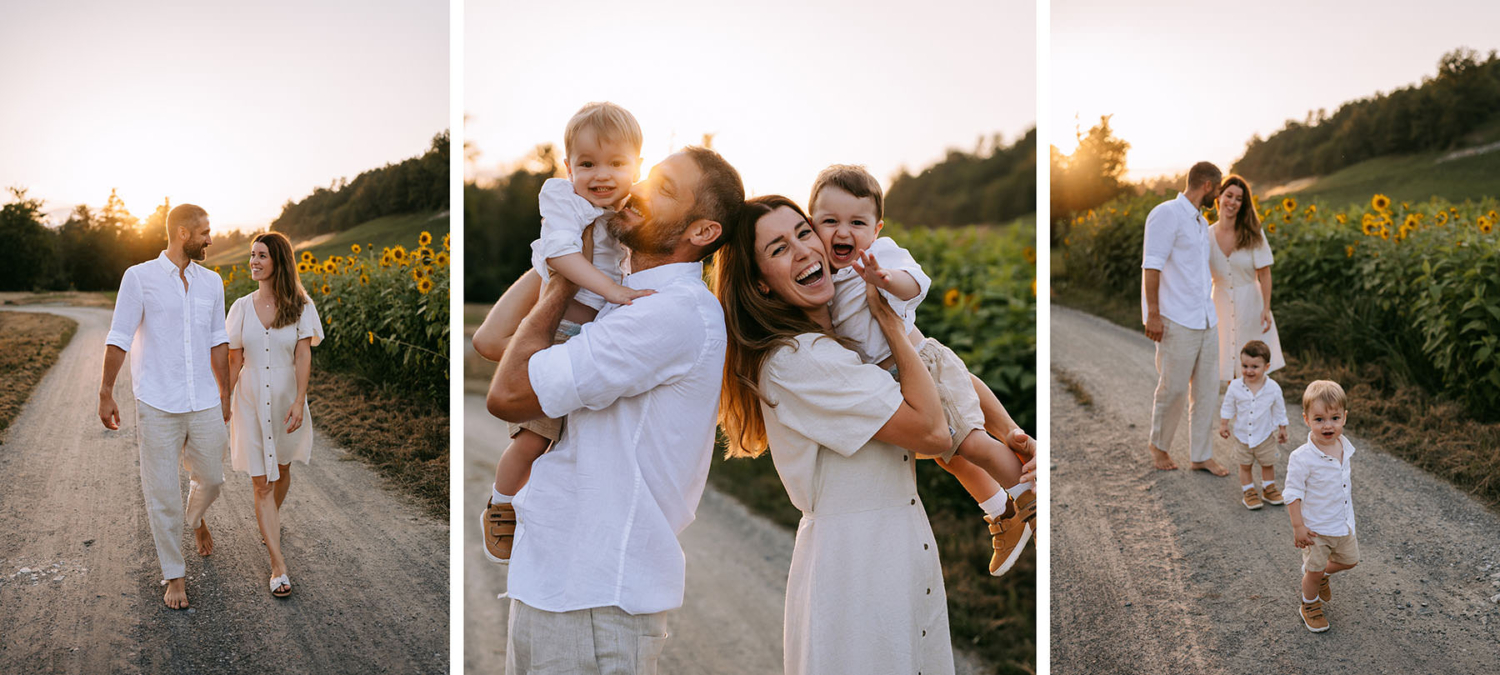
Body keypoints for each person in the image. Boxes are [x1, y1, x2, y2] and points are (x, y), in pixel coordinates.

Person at [714, 195, 1036, 675]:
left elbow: (928, 408)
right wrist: (889, 320)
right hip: (857, 568)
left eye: (804, 233)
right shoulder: (798, 359)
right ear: (760, 286)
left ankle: (1023, 489)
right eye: (779, 248)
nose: (804, 250)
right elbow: (930, 431)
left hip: (899, 548)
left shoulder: (846, 344)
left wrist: (1011, 436)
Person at [483, 146, 743, 674]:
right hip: (556, 581)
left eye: (664, 189)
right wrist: (563, 249)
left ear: (703, 232)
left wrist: (564, 277)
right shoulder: (620, 293)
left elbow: (506, 393)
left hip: (597, 597)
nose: (640, 189)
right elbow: (493, 340)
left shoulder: (670, 313)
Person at [807, 165, 1035, 576]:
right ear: (812, 225)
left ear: (876, 229)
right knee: (948, 458)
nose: (844, 232)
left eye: (857, 223)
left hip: (924, 368)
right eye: (830, 221)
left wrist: (885, 278)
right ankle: (1001, 514)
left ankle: (1029, 495)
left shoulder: (881, 256)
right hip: (897, 389)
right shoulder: (825, 279)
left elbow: (918, 283)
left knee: (970, 443)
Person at [479, 101, 652, 564]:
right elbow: (561, 258)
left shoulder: (638, 206)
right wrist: (612, 291)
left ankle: (553, 513)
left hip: (598, 335)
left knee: (578, 440)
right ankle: (501, 501)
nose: (602, 175)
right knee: (534, 437)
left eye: (617, 163)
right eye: (587, 164)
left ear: (637, 165)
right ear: (567, 166)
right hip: (559, 329)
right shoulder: (563, 199)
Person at [98, 203, 230, 610]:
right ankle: (174, 575)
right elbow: (119, 336)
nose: (211, 239)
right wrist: (106, 390)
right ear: (183, 234)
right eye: (205, 232)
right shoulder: (139, 278)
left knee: (211, 477)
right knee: (161, 493)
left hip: (204, 398)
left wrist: (225, 392)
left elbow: (218, 340)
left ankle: (195, 519)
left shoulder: (212, 282)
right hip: (156, 400)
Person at [225, 231, 323, 597]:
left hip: (285, 399)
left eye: (261, 255)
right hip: (249, 399)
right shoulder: (240, 308)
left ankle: (269, 523)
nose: (253, 261)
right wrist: (224, 399)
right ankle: (277, 564)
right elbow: (235, 358)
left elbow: (302, 355)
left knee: (281, 470)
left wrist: (300, 400)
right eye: (252, 255)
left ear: (278, 261)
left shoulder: (301, 306)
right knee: (261, 481)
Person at [1142, 161, 1228, 475]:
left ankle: (1201, 455)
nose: (1217, 196)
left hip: (1206, 318)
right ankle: (1159, 446)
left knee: (1206, 390)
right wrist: (1153, 313)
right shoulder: (1166, 214)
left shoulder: (1199, 222)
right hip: (1175, 318)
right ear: (1208, 185)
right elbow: (1152, 265)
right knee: (1173, 388)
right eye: (1217, 190)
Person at [1283, 380, 1359, 633]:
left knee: (1351, 561)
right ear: (1306, 419)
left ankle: (1317, 574)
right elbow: (1293, 493)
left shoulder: (1343, 447)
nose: (1328, 425)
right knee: (1313, 572)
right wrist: (1298, 526)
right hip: (1315, 529)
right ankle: (1309, 603)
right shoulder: (1301, 457)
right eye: (1319, 419)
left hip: (1343, 523)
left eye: (1334, 417)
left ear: (1344, 418)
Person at [1209, 174, 1285, 378]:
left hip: (1251, 303)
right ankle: (1234, 410)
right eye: (1229, 195)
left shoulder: (1253, 233)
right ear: (1219, 197)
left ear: (1243, 204)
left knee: (1253, 367)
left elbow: (1265, 273)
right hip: (1219, 304)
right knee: (1227, 366)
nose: (1232, 202)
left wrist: (1266, 308)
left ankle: (1254, 409)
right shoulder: (1206, 235)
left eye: (1239, 198)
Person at [1217, 340, 1289, 510]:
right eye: (1245, 365)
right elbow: (1228, 406)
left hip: (1265, 435)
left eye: (1255, 367)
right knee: (1245, 464)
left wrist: (1283, 428)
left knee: (1267, 463)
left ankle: (1268, 489)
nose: (1248, 371)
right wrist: (1224, 424)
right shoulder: (1235, 386)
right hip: (1243, 436)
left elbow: (1279, 409)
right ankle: (1248, 491)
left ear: (1267, 366)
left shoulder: (1273, 388)